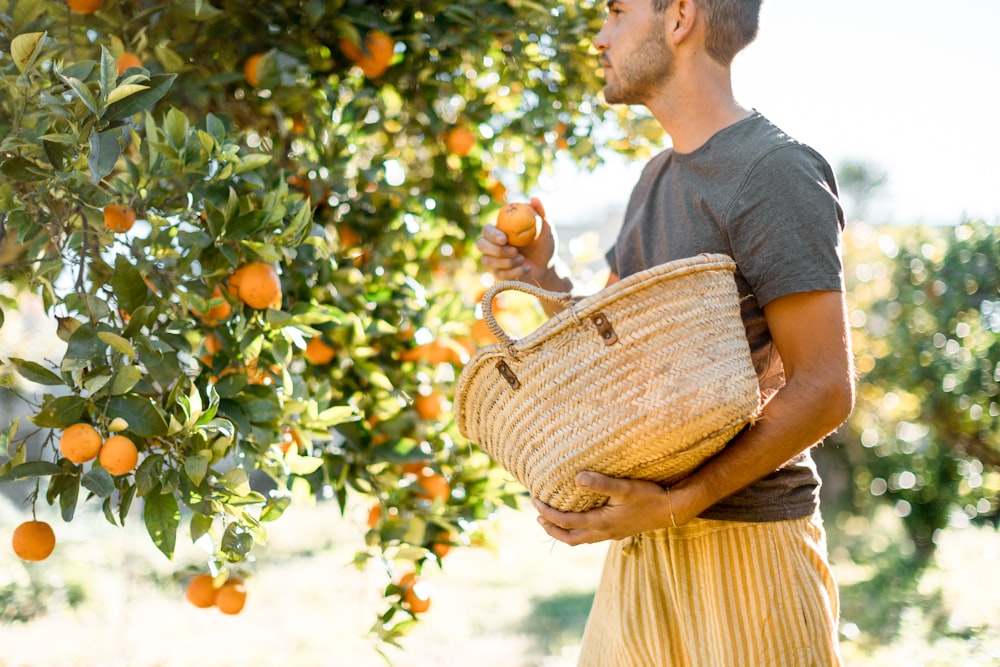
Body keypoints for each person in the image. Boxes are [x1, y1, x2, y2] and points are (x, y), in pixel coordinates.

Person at [475, 1, 856, 665]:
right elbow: (621, 356)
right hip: (643, 542)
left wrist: (679, 502)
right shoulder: (655, 177)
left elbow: (826, 387)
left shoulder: (776, 173)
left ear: (680, 17)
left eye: (616, 11)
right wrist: (547, 280)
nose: (599, 36)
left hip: (748, 552)